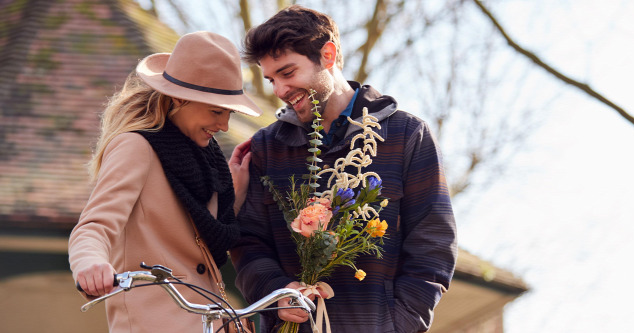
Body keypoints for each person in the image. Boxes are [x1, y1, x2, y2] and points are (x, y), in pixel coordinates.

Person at [230, 5, 457, 333]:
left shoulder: (407, 135)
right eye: (271, 79)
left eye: (288, 73)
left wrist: (400, 325)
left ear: (328, 54)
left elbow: (432, 245)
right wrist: (274, 293)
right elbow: (248, 242)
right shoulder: (266, 148)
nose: (278, 91)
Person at [68, 31, 262, 332]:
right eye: (215, 111)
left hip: (207, 318)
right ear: (179, 98)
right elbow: (94, 226)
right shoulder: (136, 147)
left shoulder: (206, 162)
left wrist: (234, 194)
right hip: (155, 321)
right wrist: (89, 264)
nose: (224, 125)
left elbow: (201, 238)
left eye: (229, 113)